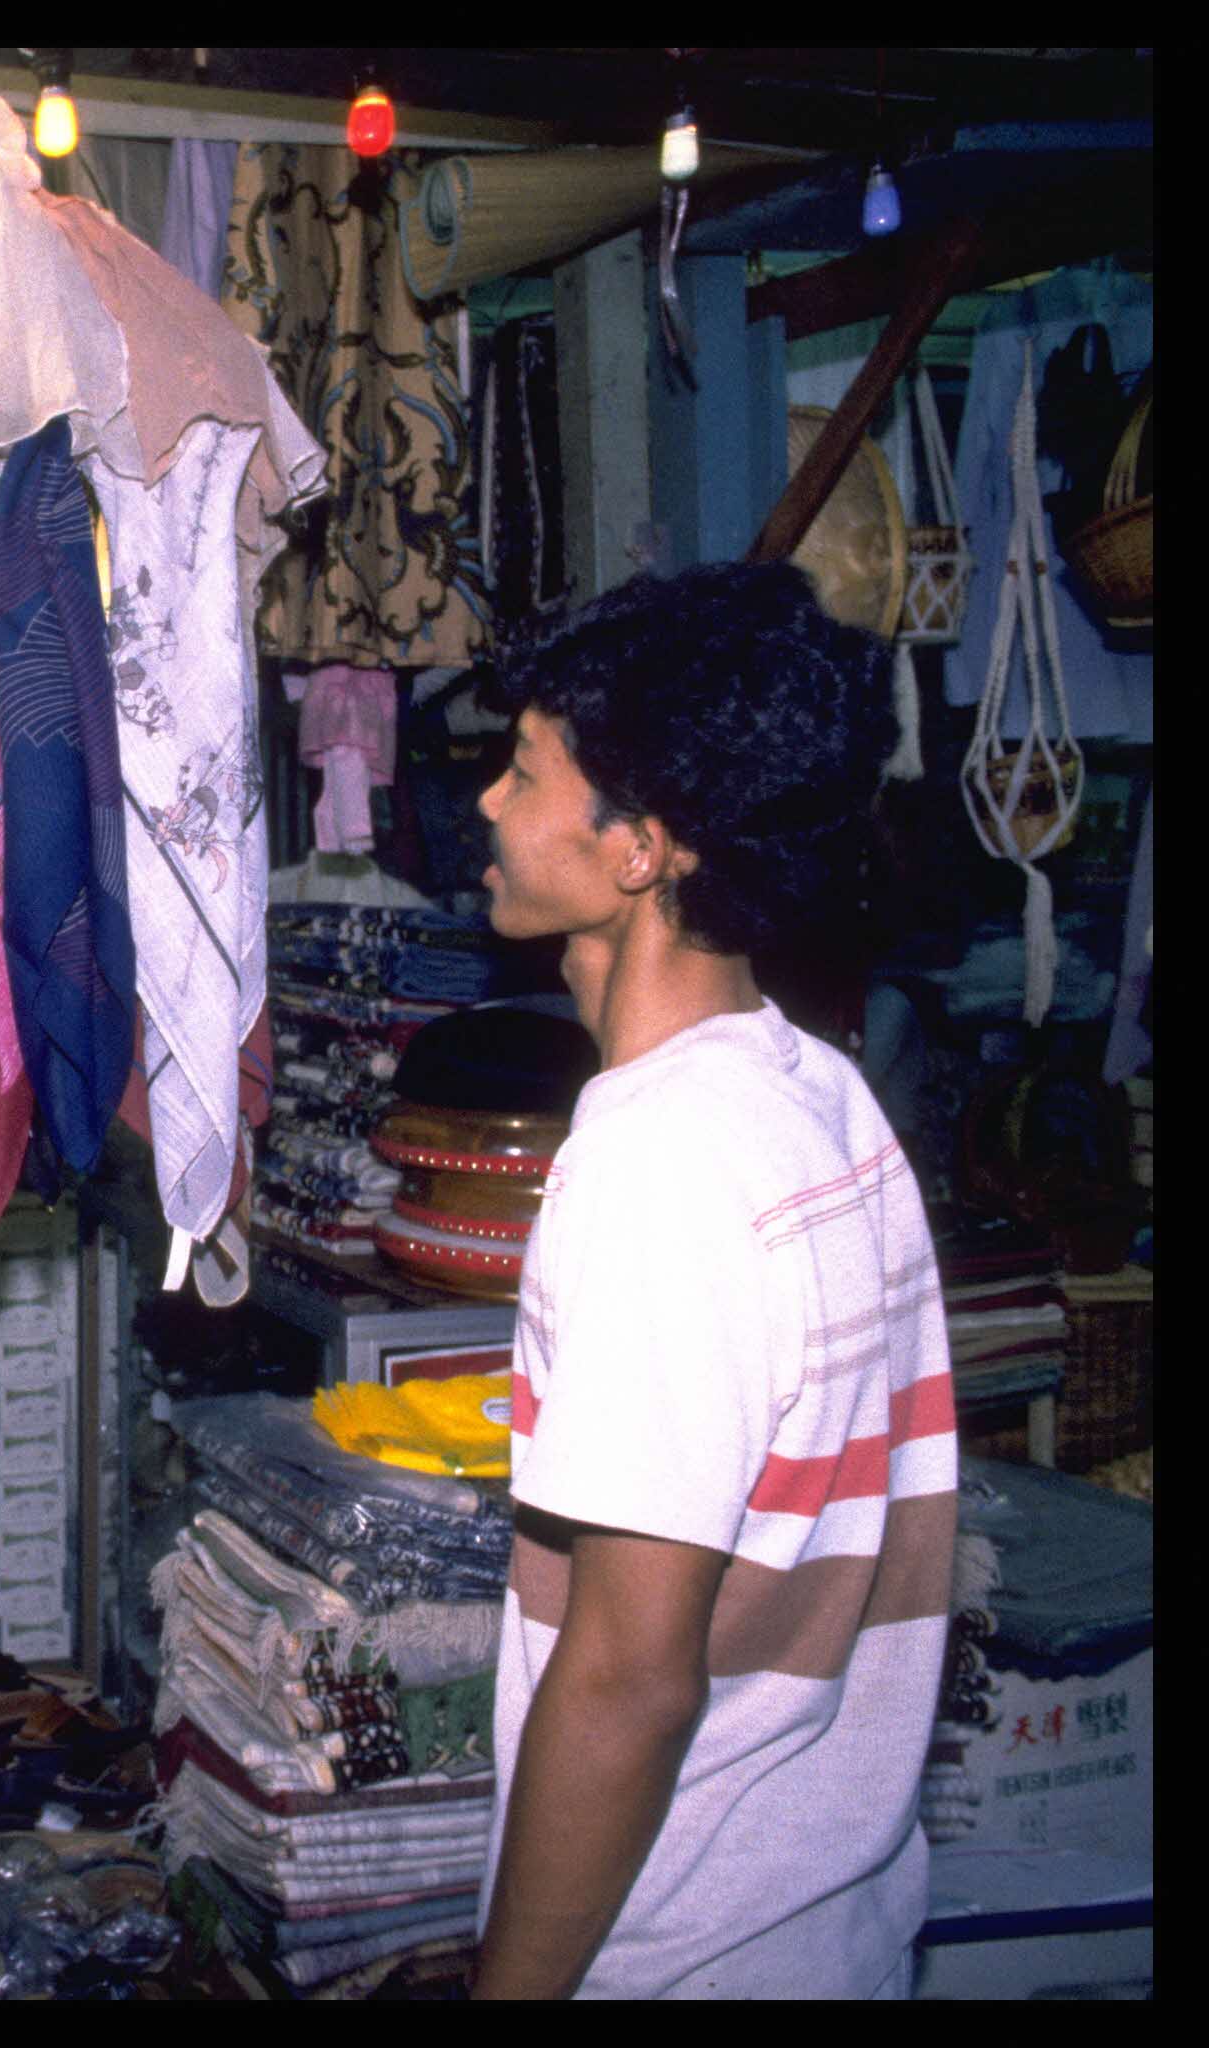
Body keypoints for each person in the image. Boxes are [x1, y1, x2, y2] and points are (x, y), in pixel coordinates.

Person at [466, 562, 954, 1999]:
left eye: (524, 769)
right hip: (829, 1926)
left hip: (677, 1949)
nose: (490, 804)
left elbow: (630, 1676)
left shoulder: (659, 1169)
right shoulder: (814, 1092)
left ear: (640, 852)